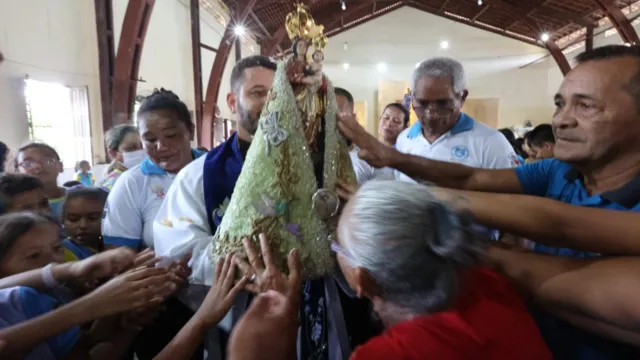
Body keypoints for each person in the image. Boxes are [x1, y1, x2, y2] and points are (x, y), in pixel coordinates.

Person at [338, 44, 640, 359]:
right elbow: (471, 180)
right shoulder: (558, 171)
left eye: (586, 106)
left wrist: (416, 228)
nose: (562, 120)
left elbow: (558, 233)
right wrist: (394, 164)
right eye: (560, 104)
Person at [226, 181, 552, 360]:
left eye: (337, 244)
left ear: (362, 279)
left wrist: (265, 343)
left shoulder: (391, 355)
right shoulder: (487, 283)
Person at [101, 88, 205, 360]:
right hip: (160, 303)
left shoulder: (213, 170)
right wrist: (160, 275)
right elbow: (119, 257)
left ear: (189, 131)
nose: (162, 147)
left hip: (224, 293)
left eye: (171, 135)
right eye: (150, 139)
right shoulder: (132, 184)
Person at [393, 58, 517, 182]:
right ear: (412, 98)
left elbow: (512, 197)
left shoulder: (491, 143)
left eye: (443, 103)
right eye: (422, 103)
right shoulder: (404, 140)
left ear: (462, 97)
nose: (431, 114)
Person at [14, 143, 66, 219]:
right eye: (27, 163)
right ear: (17, 171)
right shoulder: (13, 204)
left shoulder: (79, 197)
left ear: (61, 166)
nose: (38, 166)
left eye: (48, 161)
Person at [62, 187, 108, 261]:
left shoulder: (116, 246)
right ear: (62, 220)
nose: (83, 225)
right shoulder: (62, 253)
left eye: (93, 218)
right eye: (73, 219)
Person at [101, 124, 144, 191]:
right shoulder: (111, 186)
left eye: (143, 146)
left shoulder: (151, 176)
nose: (141, 151)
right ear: (113, 153)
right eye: (131, 148)